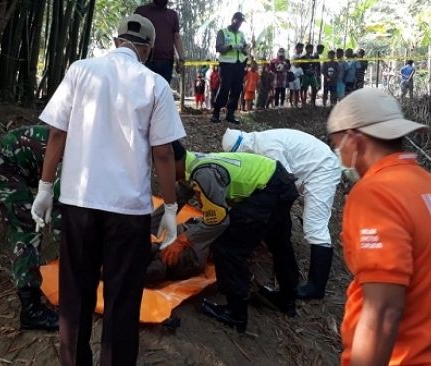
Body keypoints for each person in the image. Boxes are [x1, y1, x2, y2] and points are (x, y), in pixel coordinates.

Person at [34, 15, 186, 366]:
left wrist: (44, 188)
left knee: (75, 295)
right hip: (128, 211)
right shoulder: (154, 84)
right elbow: (163, 152)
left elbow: (57, 132)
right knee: (121, 299)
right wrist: (170, 209)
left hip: (79, 203)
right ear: (146, 49)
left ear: (116, 41)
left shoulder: (80, 70)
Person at [327, 88, 431, 365]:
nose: (339, 153)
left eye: (336, 144)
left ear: (354, 139)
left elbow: (382, 311)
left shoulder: (376, 194)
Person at [167, 143, 300, 332]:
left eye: (162, 167)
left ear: (174, 162)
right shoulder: (192, 163)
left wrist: (183, 240)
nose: (160, 173)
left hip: (269, 189)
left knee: (227, 247)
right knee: (278, 242)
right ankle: (287, 299)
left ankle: (235, 314)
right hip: (277, 178)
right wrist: (148, 228)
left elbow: (218, 220)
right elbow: (174, 202)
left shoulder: (202, 174)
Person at [222, 128, 342, 299]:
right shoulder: (259, 142)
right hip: (308, 169)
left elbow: (284, 182)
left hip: (321, 169)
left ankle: (316, 287)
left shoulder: (266, 147)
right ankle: (293, 284)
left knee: (314, 226)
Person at [0, 126, 59, 331]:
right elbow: (62, 220)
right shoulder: (74, 156)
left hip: (7, 163)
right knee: (26, 228)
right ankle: (30, 311)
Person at [210, 12, 249, 124]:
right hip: (226, 64)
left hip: (239, 63)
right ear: (233, 20)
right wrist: (231, 46)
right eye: (238, 21)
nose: (239, 24)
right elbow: (219, 47)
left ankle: (230, 114)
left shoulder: (241, 34)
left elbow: (245, 47)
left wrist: (245, 49)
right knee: (224, 88)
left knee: (237, 89)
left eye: (241, 22)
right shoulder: (223, 32)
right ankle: (216, 113)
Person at [135, 0, 186, 83]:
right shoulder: (141, 12)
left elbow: (176, 37)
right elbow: (133, 35)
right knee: (145, 92)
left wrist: (181, 58)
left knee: (162, 92)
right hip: (145, 61)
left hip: (166, 63)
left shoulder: (172, 15)